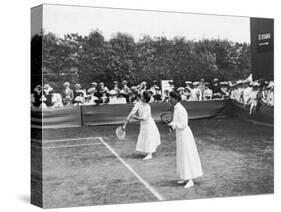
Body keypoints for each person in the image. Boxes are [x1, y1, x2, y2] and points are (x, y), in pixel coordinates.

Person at [168, 91, 203, 188]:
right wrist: (172, 125)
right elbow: (176, 122)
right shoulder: (176, 108)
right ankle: (185, 177)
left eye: (170, 97)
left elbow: (184, 124)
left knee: (187, 156)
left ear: (175, 98)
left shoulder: (181, 109)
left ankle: (190, 180)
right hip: (180, 135)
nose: (169, 99)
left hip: (185, 136)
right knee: (181, 156)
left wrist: (174, 125)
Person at [126, 91, 161, 160]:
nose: (140, 97)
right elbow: (133, 110)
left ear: (145, 99)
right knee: (144, 137)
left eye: (142, 96)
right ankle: (148, 152)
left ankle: (149, 154)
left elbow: (144, 118)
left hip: (149, 124)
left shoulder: (148, 107)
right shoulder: (138, 103)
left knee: (149, 138)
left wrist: (136, 117)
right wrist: (128, 117)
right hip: (143, 125)